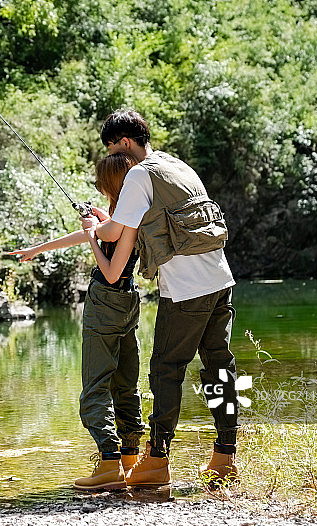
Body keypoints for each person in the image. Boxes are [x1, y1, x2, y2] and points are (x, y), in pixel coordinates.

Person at [84, 108, 240, 487]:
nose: (113, 159)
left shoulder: (139, 174)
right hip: (221, 279)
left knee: (166, 371)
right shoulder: (175, 164)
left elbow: (116, 231)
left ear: (124, 141)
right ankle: (225, 455)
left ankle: (157, 460)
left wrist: (93, 227)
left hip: (186, 290)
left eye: (112, 148)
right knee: (219, 368)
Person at [9, 153, 145, 491]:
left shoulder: (121, 220)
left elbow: (111, 271)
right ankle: (130, 459)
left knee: (96, 385)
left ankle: (109, 463)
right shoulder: (132, 213)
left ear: (109, 183)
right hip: (129, 302)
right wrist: (38, 249)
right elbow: (103, 233)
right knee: (126, 382)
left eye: (102, 183)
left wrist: (91, 237)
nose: (99, 188)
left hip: (106, 299)